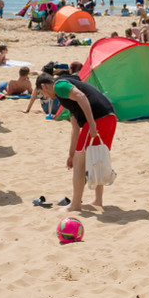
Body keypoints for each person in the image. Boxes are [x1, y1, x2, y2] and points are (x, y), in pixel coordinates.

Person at [35, 73, 118, 212]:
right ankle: (98, 200)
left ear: (44, 86)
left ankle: (75, 205)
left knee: (81, 162)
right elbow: (75, 128)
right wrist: (71, 154)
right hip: (110, 117)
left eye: (42, 93)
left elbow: (81, 96)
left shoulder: (59, 86)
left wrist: (91, 123)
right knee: (96, 158)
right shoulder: (66, 98)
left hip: (98, 119)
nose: (46, 97)